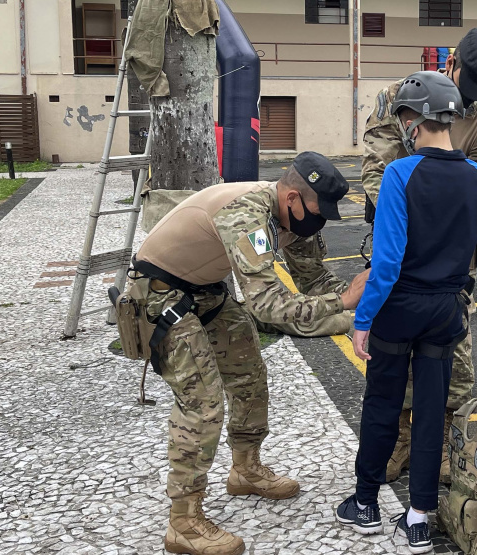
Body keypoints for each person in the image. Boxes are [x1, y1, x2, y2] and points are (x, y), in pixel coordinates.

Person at [336, 70, 477, 554]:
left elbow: (386, 263)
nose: (404, 125)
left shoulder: (399, 174)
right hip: (448, 309)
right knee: (432, 412)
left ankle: (366, 502)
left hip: (399, 308)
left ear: (415, 119)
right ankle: (418, 519)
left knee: (384, 404)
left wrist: (363, 320)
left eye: (406, 117)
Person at [129, 152, 369, 555]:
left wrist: (367, 302)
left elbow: (314, 279)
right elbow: (268, 306)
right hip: (160, 296)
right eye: (317, 209)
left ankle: (245, 468)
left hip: (205, 293)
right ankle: (183, 523)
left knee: (249, 377)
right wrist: (344, 303)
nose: (320, 219)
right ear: (292, 198)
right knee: (202, 402)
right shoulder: (246, 213)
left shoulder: (294, 220)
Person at [361, 27, 477, 486]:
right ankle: (402, 440)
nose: (471, 99)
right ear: (451, 64)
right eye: (467, 87)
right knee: (393, 355)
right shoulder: (401, 98)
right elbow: (377, 168)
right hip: (402, 249)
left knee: (452, 358)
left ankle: (441, 441)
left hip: (452, 260)